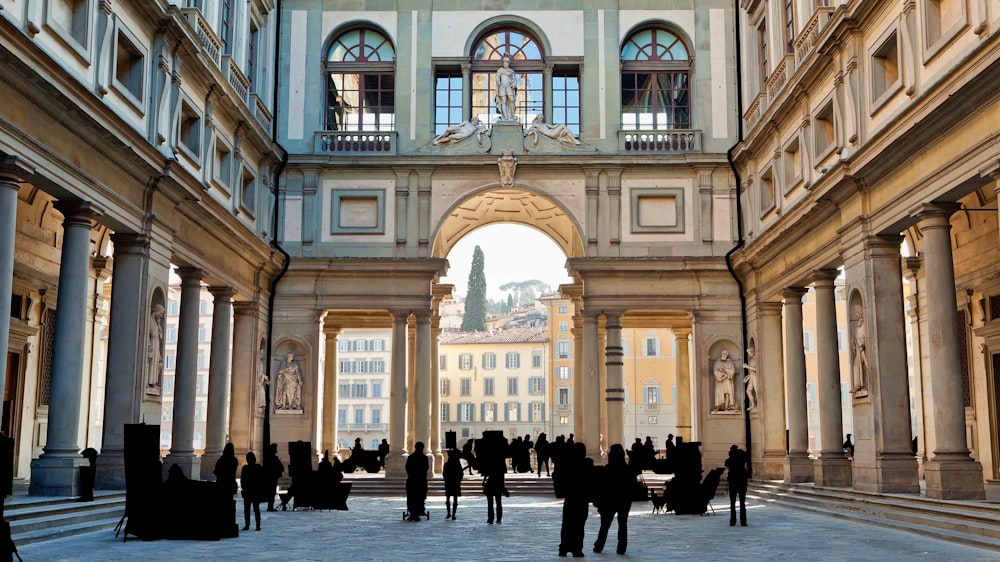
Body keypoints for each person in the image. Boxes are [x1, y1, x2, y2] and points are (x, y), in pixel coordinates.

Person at [593, 444, 637, 555]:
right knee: (623, 524)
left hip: (609, 500)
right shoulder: (628, 470)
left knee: (605, 525)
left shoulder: (607, 470)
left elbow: (601, 486)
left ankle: (599, 545)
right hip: (623, 500)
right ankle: (621, 547)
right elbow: (632, 485)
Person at [555, 441, 591, 557]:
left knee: (567, 524)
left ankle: (564, 547)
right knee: (579, 525)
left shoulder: (567, 465)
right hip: (582, 499)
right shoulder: (586, 465)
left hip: (570, 499)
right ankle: (577, 548)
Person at [240, 451, 265, 531]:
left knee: (247, 509)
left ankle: (247, 525)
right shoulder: (258, 467)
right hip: (255, 491)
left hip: (248, 491)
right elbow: (262, 479)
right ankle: (258, 525)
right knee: (256, 509)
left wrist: (243, 487)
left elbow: (242, 480)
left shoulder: (245, 468)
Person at [725, 445, 749, 526]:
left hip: (733, 482)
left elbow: (727, 465)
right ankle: (743, 521)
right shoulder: (742, 459)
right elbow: (746, 456)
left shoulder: (728, 461)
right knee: (742, 503)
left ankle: (732, 521)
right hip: (742, 481)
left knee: (732, 503)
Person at [405, 442, 429, 521]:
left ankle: (412, 513)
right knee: (420, 497)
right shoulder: (424, 458)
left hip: (412, 480)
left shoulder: (411, 457)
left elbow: (408, 468)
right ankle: (419, 511)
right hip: (421, 480)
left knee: (411, 497)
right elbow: (426, 468)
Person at [482, 451, 507, 524]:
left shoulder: (490, 461)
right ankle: (498, 518)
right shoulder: (501, 463)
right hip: (498, 483)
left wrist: (484, 481)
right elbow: (502, 476)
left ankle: (490, 518)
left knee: (490, 503)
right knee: (498, 502)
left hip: (490, 483)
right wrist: (503, 487)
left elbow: (486, 473)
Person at [146, 304, 165, 389]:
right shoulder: (149, 321)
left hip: (156, 346)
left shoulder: (157, 323)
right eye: (161, 313)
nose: (162, 316)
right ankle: (149, 382)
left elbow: (160, 337)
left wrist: (159, 327)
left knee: (159, 364)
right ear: (156, 311)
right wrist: (149, 345)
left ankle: (153, 382)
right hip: (152, 345)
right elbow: (146, 335)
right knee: (150, 363)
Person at [494, 55, 519, 120]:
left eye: (506, 62)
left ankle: (512, 115)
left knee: (512, 99)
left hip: (508, 86)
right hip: (502, 86)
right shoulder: (500, 70)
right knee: (503, 101)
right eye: (504, 62)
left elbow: (514, 80)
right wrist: (498, 82)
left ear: (508, 63)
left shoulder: (511, 71)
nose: (504, 63)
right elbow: (497, 77)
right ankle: (505, 117)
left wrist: (514, 83)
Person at [851, 305, 869, 390]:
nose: (858, 313)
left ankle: (865, 384)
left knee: (866, 365)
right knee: (856, 366)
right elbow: (857, 334)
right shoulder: (859, 323)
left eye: (859, 311)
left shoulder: (865, 322)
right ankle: (858, 385)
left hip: (862, 347)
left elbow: (866, 335)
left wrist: (863, 344)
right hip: (858, 347)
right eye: (856, 312)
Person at [443, 449, 463, 520]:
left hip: (449, 482)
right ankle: (453, 514)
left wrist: (446, 479)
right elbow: (461, 474)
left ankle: (449, 513)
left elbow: (444, 474)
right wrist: (458, 480)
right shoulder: (457, 464)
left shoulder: (447, 464)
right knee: (455, 499)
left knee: (448, 498)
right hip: (455, 482)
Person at [263, 443, 284, 511]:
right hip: (273, 477)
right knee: (272, 492)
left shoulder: (268, 459)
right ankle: (270, 506)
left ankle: (270, 506)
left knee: (271, 492)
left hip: (270, 477)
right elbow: (281, 468)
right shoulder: (274, 459)